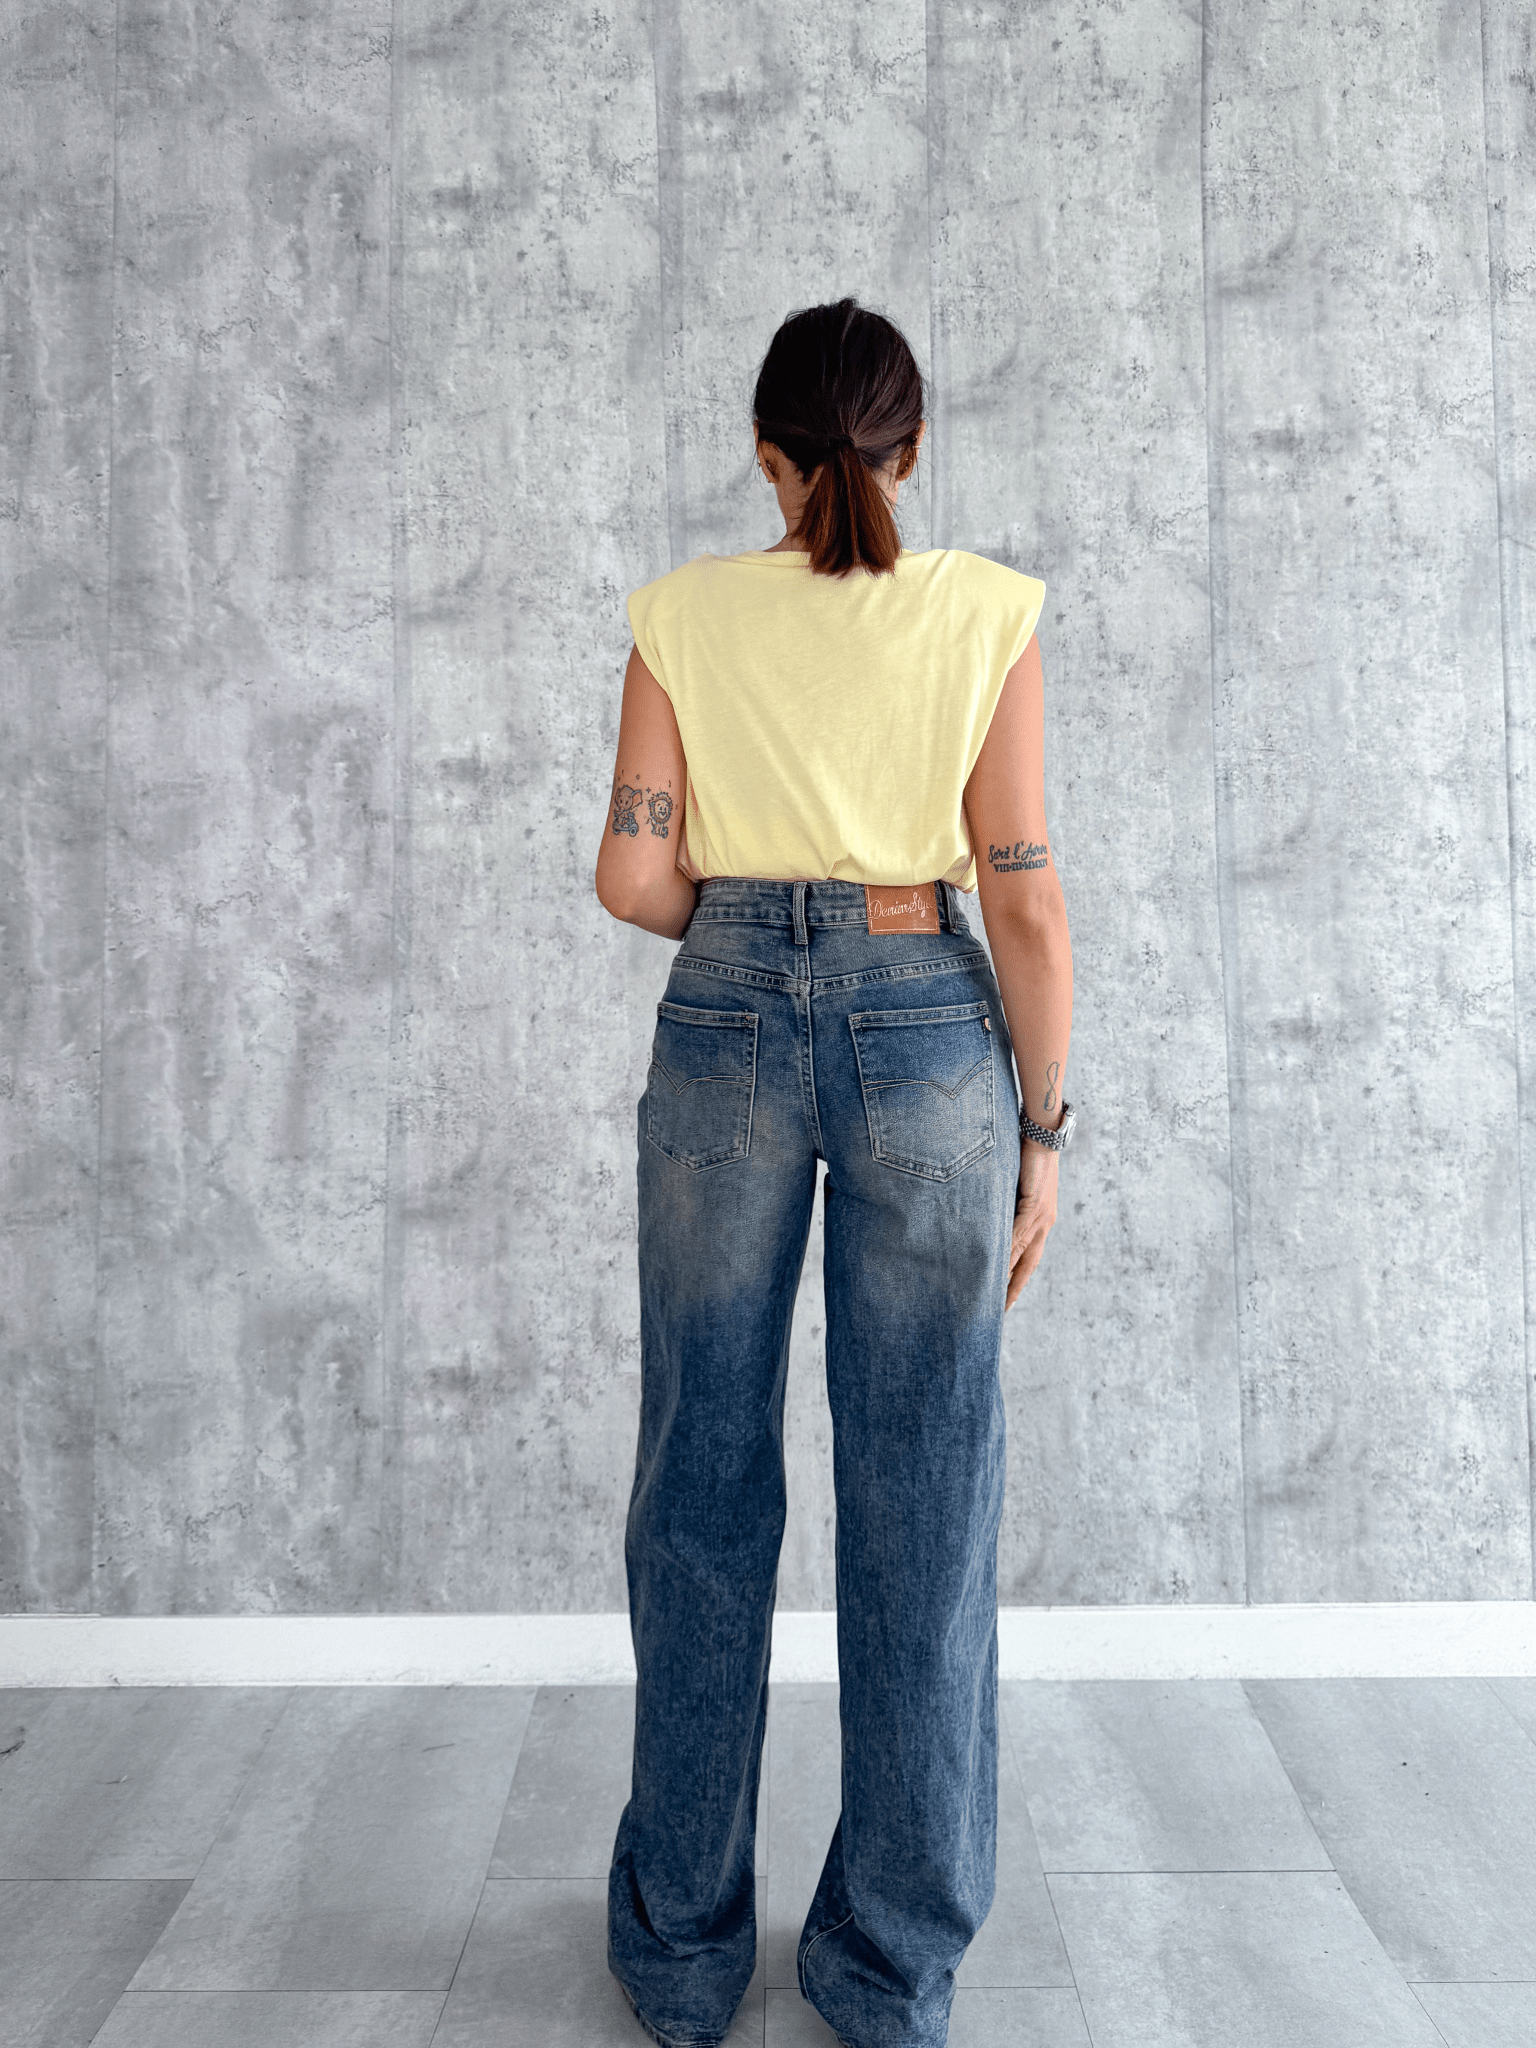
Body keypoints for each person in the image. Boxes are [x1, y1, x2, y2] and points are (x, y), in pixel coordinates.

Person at [596, 296, 1076, 2048]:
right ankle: (887, 1968)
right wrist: (1044, 1133)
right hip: (926, 1026)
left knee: (700, 1483)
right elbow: (1023, 900)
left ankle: (682, 1957)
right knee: (925, 1489)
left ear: (765, 456)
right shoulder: (986, 613)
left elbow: (630, 876)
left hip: (722, 1014)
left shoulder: (681, 615)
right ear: (912, 449)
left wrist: (747, 927)